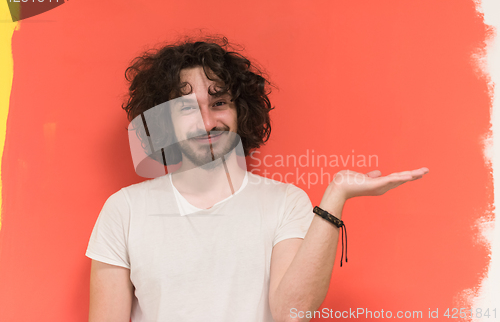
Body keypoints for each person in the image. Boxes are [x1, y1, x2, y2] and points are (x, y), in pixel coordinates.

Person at [85, 37, 429, 322]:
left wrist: (336, 195)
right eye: (187, 108)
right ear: (163, 122)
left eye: (219, 103)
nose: (207, 122)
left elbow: (292, 314)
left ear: (240, 112)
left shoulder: (285, 203)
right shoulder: (124, 210)